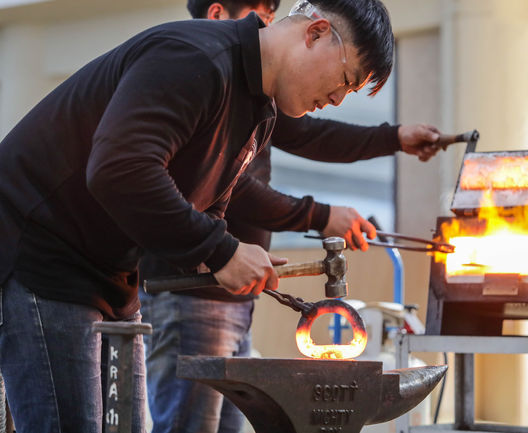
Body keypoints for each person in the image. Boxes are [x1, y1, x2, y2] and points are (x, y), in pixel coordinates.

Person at [0, 0, 395, 431]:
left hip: (110, 276)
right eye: (345, 80)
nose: (338, 99)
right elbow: (120, 168)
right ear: (316, 32)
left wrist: (224, 256)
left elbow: (207, 205)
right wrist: (222, 250)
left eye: (350, 93)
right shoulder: (196, 59)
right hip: (40, 253)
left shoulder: (259, 110)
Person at [140, 1, 447, 433]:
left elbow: (310, 133)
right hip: (195, 290)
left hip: (230, 293)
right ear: (217, 16)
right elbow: (230, 189)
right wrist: (318, 215)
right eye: (261, 19)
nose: (269, 30)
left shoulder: (258, 93)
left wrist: (394, 137)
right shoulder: (205, 75)